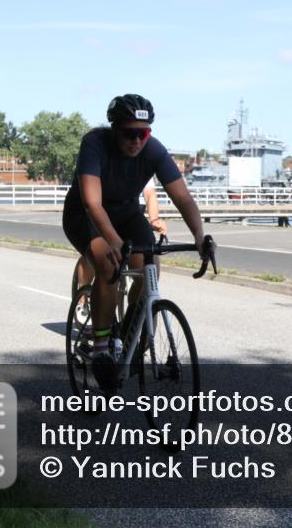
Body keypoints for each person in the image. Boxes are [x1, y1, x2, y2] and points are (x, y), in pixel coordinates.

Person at [62, 94, 207, 392]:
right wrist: (113, 241)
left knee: (151, 266)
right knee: (108, 264)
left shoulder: (153, 151)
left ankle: (128, 336)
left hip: (126, 213)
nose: (137, 140)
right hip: (86, 215)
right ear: (115, 129)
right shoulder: (94, 144)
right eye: (129, 133)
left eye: (143, 133)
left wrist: (199, 236)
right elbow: (92, 202)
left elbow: (182, 197)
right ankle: (101, 346)